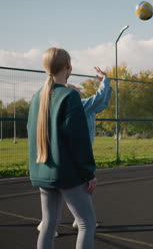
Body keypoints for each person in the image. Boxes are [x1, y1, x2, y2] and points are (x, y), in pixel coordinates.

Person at [28, 47, 97, 249]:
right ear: (68, 67)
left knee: (48, 225)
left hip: (43, 171)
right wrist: (89, 173)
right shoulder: (69, 95)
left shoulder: (36, 97)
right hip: (67, 173)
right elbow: (78, 139)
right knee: (87, 224)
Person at [37, 66, 111, 235]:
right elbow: (99, 99)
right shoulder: (81, 105)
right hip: (72, 155)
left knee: (79, 189)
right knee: (66, 191)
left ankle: (75, 220)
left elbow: (103, 102)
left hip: (75, 153)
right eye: (76, 89)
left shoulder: (86, 107)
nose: (79, 90)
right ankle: (48, 223)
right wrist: (105, 81)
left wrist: (106, 86)